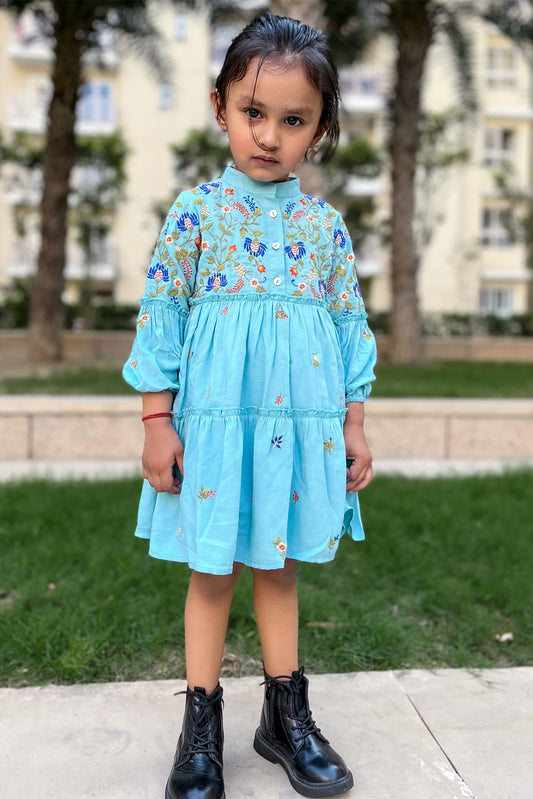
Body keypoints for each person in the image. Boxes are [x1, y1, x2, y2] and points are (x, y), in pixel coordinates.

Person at [123, 12, 377, 799]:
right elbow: (162, 313)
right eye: (252, 112)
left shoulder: (323, 228)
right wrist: (156, 420)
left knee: (277, 565)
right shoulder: (196, 213)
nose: (268, 136)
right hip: (215, 428)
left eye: (293, 120)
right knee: (211, 571)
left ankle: (285, 717)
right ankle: (200, 727)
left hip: (295, 432)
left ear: (319, 129)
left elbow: (347, 326)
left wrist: (354, 423)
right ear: (220, 108)